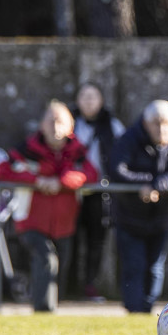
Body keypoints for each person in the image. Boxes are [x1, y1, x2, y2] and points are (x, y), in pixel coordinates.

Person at [0, 101, 98, 312]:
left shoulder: (78, 151)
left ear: (71, 126)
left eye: (60, 122)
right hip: (31, 221)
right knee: (46, 259)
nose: (54, 127)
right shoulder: (26, 149)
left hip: (64, 224)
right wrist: (36, 180)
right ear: (41, 125)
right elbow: (2, 171)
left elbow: (90, 175)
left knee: (60, 265)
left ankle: (51, 309)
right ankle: (43, 311)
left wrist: (61, 182)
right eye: (50, 121)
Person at [109, 100, 168, 313]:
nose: (162, 129)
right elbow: (116, 170)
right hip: (129, 216)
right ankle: (135, 311)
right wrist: (143, 183)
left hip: (161, 218)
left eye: (167, 124)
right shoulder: (129, 138)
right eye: (156, 124)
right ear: (145, 123)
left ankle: (148, 308)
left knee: (155, 268)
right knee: (134, 265)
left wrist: (158, 184)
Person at [70, 82, 125, 302]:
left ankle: (89, 285)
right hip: (71, 189)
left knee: (96, 240)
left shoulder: (112, 125)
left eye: (93, 96)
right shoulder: (69, 122)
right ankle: (68, 285)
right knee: (70, 239)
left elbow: (122, 152)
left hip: (100, 191)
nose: (89, 101)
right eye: (84, 96)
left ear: (101, 100)